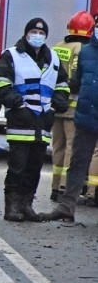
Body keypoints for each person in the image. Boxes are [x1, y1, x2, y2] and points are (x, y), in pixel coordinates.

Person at [0, 17, 69, 222]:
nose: (38, 36)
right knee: (17, 167)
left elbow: (62, 86)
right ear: (26, 34)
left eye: (41, 33)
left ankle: (26, 205)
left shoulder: (53, 59)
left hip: (42, 124)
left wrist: (54, 107)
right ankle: (12, 206)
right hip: (20, 123)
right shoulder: (12, 56)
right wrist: (17, 105)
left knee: (34, 168)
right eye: (34, 32)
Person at [43, 14, 98, 222]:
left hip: (83, 113)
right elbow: (77, 81)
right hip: (85, 116)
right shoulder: (85, 53)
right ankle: (66, 208)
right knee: (77, 162)